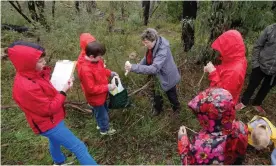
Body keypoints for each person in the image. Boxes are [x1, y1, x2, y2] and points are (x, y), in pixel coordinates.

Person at [8, 41, 97, 165]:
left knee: (54, 141)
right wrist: (63, 91)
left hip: (51, 120)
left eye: (44, 59)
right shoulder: (26, 86)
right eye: (40, 61)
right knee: (79, 148)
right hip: (48, 123)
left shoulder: (33, 75)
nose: (44, 63)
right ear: (27, 63)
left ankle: (58, 162)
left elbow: (46, 91)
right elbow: (48, 109)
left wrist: (63, 83)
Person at [178, 88, 248, 165]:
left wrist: (182, 141)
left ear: (207, 118)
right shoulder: (241, 127)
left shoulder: (202, 146)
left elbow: (188, 162)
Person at [125, 28, 181, 116]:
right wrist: (139, 65)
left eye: (146, 42)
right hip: (158, 76)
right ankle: (158, 110)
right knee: (157, 94)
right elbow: (147, 57)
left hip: (167, 76)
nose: (144, 45)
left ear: (153, 40)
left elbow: (154, 68)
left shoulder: (163, 49)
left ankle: (177, 111)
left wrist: (134, 67)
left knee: (171, 94)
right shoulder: (153, 45)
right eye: (144, 42)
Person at [76, 33, 117, 135]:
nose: (101, 58)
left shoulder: (96, 60)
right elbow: (91, 89)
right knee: (103, 115)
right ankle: (104, 130)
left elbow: (101, 69)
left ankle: (100, 123)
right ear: (91, 56)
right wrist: (107, 87)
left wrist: (109, 73)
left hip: (102, 94)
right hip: (95, 97)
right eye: (99, 57)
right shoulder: (85, 70)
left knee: (101, 111)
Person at [236, 24, 276, 113]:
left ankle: (257, 103)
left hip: (274, 72)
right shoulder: (270, 29)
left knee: (266, 88)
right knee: (252, 84)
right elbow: (258, 46)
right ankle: (244, 101)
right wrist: (255, 64)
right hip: (261, 64)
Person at [203, 30, 247, 105]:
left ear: (230, 47)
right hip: (224, 100)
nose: (220, 51)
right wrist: (214, 68)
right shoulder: (237, 57)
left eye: (224, 46)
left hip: (222, 106)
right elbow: (226, 68)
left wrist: (213, 72)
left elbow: (223, 95)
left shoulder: (235, 71)